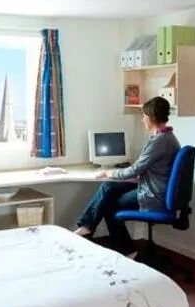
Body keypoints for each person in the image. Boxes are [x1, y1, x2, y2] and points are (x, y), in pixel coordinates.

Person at [74, 96, 180, 254]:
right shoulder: (167, 137)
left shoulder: (159, 141)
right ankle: (87, 227)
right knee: (108, 186)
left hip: (153, 194)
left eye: (144, 116)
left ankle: (124, 249)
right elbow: (148, 170)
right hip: (154, 187)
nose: (142, 119)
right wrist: (120, 176)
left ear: (151, 117)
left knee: (109, 203)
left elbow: (134, 170)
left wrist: (109, 172)